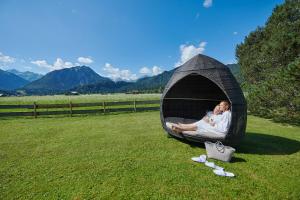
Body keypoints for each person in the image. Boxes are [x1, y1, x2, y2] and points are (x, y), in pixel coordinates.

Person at [167, 101, 231, 135]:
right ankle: (181, 128)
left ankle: (180, 128)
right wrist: (212, 122)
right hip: (216, 128)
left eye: (221, 105)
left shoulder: (227, 114)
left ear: (226, 106)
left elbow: (224, 129)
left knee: (200, 125)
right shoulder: (225, 114)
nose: (220, 106)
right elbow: (221, 124)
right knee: (201, 124)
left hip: (219, 131)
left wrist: (213, 124)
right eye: (220, 105)